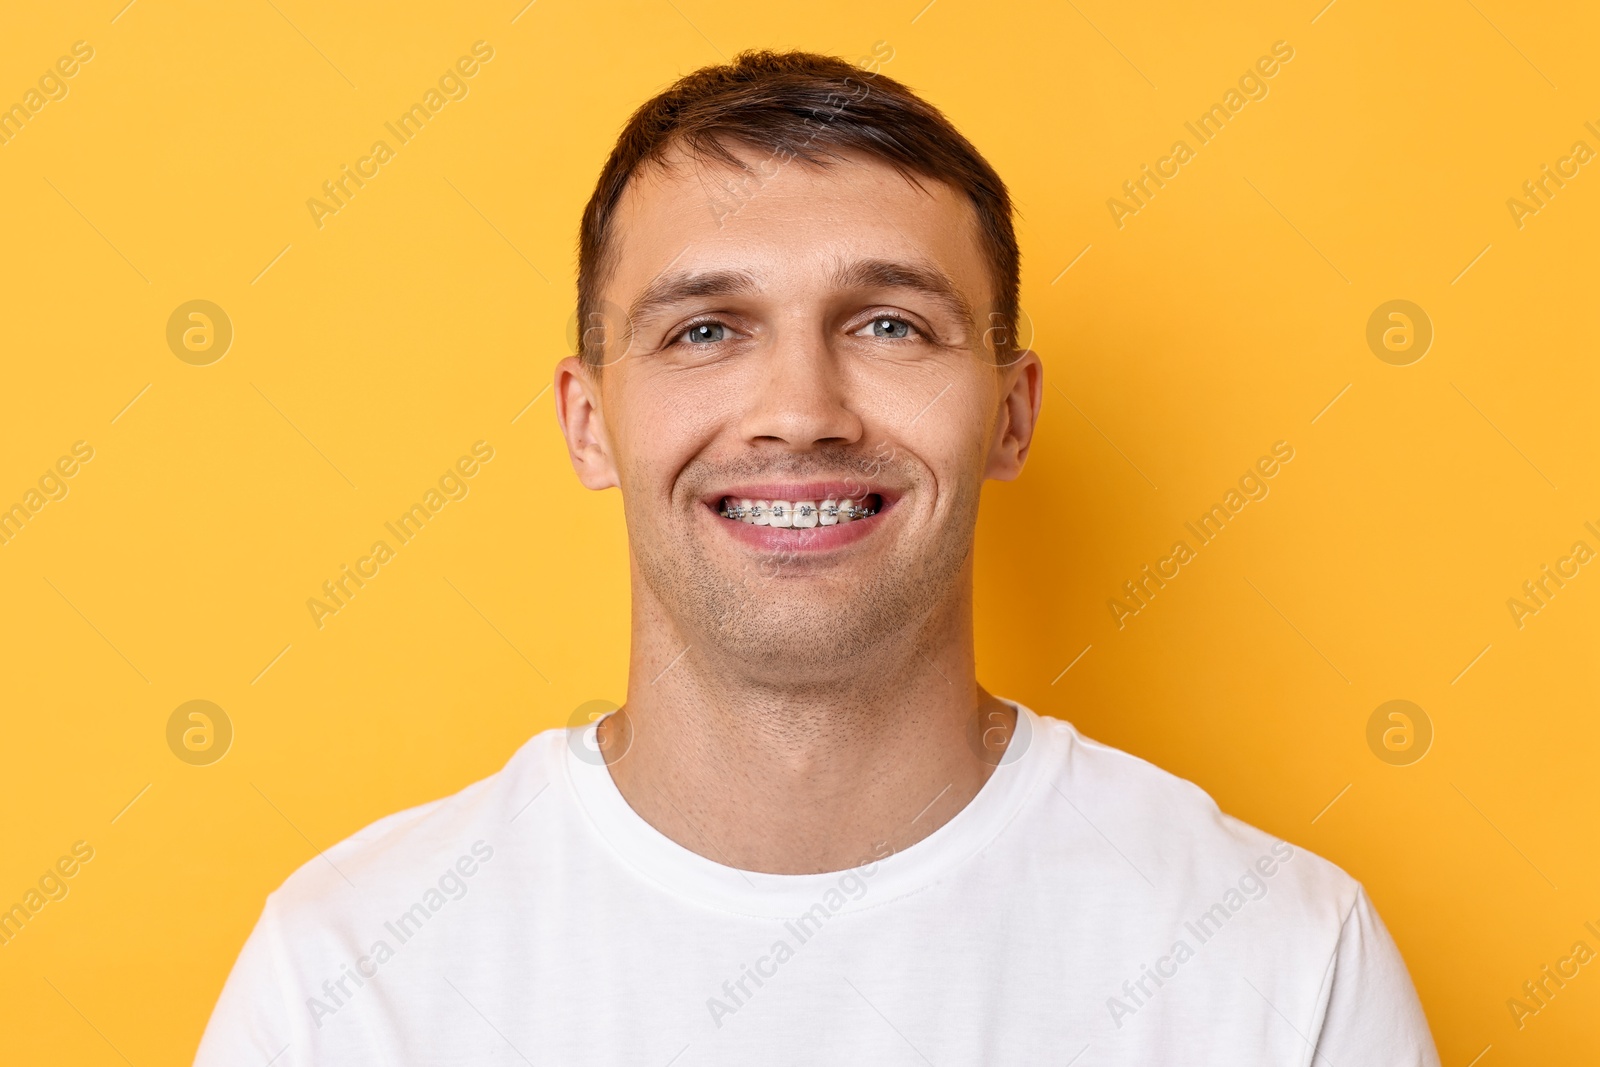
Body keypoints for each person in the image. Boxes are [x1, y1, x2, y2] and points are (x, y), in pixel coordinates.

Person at [195, 50, 1439, 1065]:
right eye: (705, 329)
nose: (801, 408)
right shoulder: (347, 976)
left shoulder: (1279, 962)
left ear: (1009, 413)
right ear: (588, 420)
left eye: (890, 322)